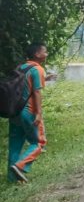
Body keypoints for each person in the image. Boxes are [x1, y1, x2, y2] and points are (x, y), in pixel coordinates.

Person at [7, 42, 56, 183]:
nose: (46, 54)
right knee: (39, 142)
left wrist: (46, 79)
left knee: (15, 145)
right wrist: (39, 113)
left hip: (14, 111)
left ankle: (12, 179)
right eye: (44, 52)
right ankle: (20, 165)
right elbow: (36, 92)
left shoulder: (21, 67)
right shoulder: (38, 69)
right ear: (37, 54)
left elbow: (25, 85)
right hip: (28, 111)